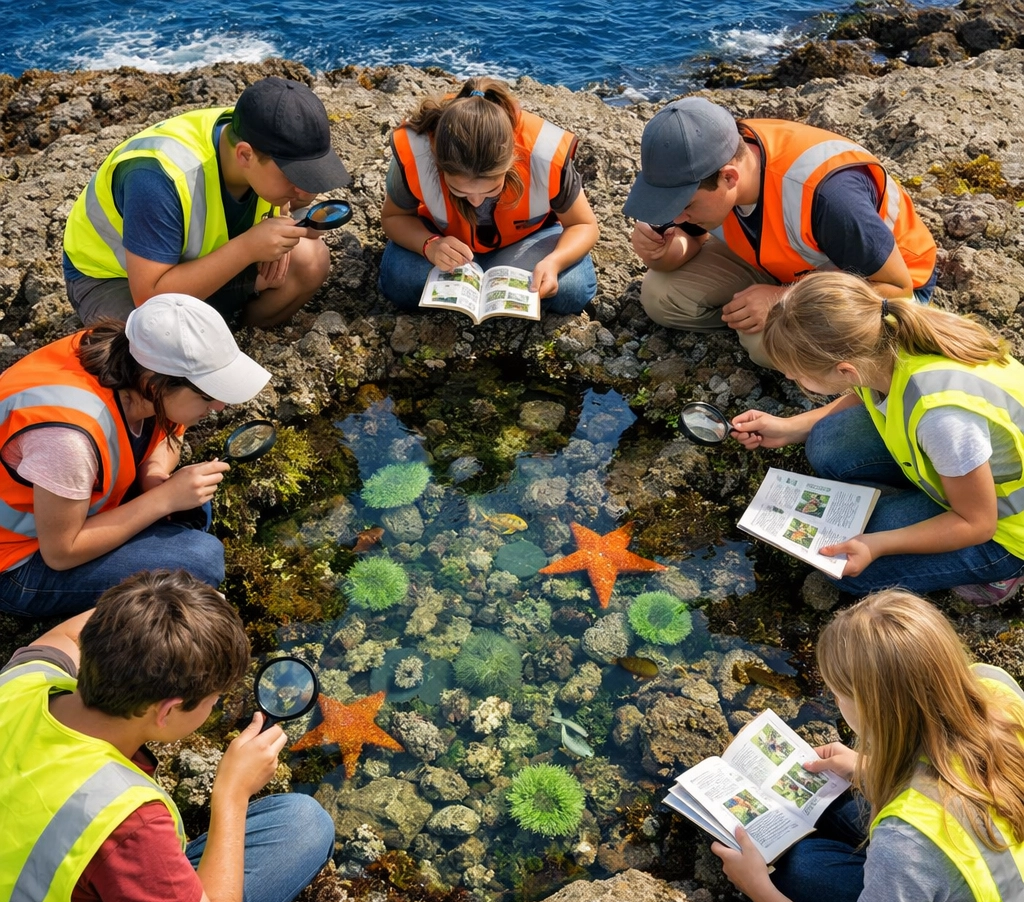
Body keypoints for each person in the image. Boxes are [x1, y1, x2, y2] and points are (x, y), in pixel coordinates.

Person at [0, 569, 335, 902]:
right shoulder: (120, 818)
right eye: (214, 699)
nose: (216, 705)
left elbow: (67, 633)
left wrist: (170, 605)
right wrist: (231, 794)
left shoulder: (20, 684)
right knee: (304, 823)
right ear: (170, 710)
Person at [712, 590, 1024, 902]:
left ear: (876, 709)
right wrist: (865, 766)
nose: (836, 702)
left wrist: (759, 892)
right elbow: (964, 769)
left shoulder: (908, 841)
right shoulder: (996, 688)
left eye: (839, 692)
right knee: (807, 858)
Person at [731, 271, 1024, 606]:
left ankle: (1002, 573)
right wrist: (790, 427)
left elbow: (978, 523)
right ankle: (921, 497)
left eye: (797, 373)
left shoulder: (941, 418)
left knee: (850, 568)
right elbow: (866, 392)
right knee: (826, 442)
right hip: (965, 473)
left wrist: (877, 544)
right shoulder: (880, 335)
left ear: (845, 370)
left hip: (1005, 530)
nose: (788, 376)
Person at [0, 292, 271, 617]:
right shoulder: (68, 440)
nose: (219, 407)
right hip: (20, 562)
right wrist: (162, 500)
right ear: (155, 387)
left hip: (72, 515)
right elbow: (60, 552)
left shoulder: (129, 355)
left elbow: (171, 430)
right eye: (208, 394)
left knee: (195, 504)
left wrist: (154, 474)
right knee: (201, 559)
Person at [623, 97, 937, 367]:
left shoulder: (829, 197)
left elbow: (897, 289)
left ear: (729, 178)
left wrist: (784, 299)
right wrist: (663, 252)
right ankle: (784, 334)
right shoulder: (709, 158)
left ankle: (848, 363)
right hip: (782, 263)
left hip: (886, 283)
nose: (675, 216)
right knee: (659, 296)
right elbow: (690, 240)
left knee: (763, 343)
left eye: (683, 205)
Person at [63, 76, 352, 328]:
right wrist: (249, 248)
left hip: (202, 264)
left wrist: (293, 223)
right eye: (295, 176)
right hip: (118, 281)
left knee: (310, 260)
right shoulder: (157, 177)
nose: (305, 190)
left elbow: (289, 198)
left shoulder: (256, 135)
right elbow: (150, 298)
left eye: (312, 176)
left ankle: (245, 338)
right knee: (159, 338)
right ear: (245, 155)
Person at [378, 76, 599, 315]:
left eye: (491, 190)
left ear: (511, 162)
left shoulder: (543, 151)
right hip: (442, 245)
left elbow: (583, 224)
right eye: (459, 191)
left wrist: (554, 262)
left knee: (574, 289)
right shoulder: (416, 150)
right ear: (439, 164)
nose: (476, 201)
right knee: (398, 279)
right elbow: (393, 218)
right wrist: (429, 245)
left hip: (526, 245)